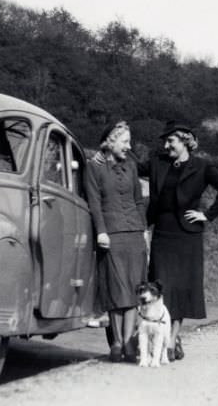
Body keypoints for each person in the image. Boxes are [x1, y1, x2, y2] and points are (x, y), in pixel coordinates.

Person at [137, 121, 218, 361]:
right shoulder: (158, 163)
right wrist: (103, 157)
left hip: (187, 236)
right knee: (162, 286)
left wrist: (208, 214)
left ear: (185, 141)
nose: (166, 145)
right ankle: (164, 338)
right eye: (165, 141)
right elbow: (133, 167)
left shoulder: (202, 167)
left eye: (170, 141)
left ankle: (170, 342)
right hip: (162, 232)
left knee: (179, 290)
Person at [85, 121, 148, 362]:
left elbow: (138, 201)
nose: (129, 146)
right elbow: (94, 203)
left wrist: (143, 229)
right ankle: (117, 344)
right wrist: (101, 231)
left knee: (133, 290)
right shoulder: (94, 167)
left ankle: (130, 343)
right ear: (111, 141)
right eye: (125, 142)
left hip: (134, 233)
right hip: (111, 234)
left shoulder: (131, 165)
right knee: (116, 290)